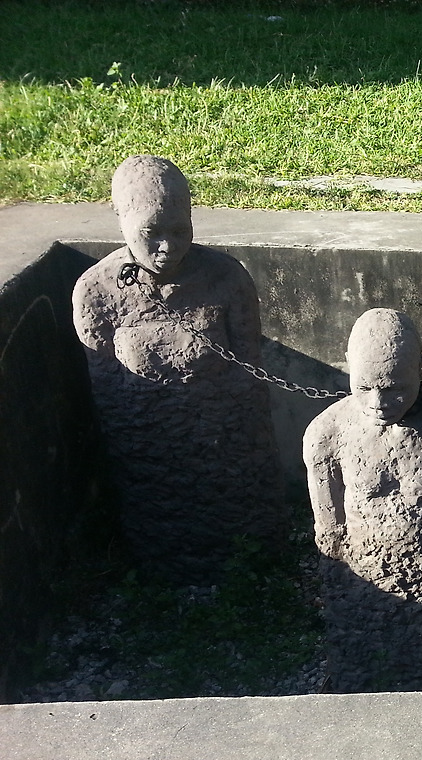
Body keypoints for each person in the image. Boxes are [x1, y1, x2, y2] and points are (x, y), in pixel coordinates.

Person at [72, 155, 284, 583]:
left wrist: (240, 451)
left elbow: (250, 375)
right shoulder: (96, 292)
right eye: (151, 233)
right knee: (167, 544)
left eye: (179, 230)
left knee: (243, 534)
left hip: (226, 449)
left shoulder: (227, 278)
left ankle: (252, 569)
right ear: (121, 219)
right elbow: (107, 395)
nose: (167, 247)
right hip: (150, 460)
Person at [303, 308, 422, 692]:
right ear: (348, 366)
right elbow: (329, 533)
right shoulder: (326, 435)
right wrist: (344, 590)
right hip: (364, 585)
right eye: (364, 387)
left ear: (420, 368)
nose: (378, 402)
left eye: (394, 388)